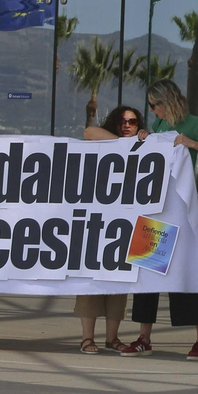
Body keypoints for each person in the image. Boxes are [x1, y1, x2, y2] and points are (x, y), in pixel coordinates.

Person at [92, 80, 198, 359]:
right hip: (156, 211)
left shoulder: (192, 124)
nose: (152, 111)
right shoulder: (158, 128)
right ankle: (144, 336)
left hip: (182, 211)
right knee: (148, 273)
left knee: (191, 271)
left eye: (155, 105)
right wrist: (147, 139)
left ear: (167, 102)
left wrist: (191, 143)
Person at [75, 105, 142, 353]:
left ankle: (112, 338)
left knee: (118, 284)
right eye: (122, 121)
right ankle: (87, 338)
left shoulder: (145, 146)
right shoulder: (105, 141)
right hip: (98, 222)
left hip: (127, 225)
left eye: (132, 122)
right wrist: (126, 144)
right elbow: (89, 132)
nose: (127, 125)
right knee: (91, 283)